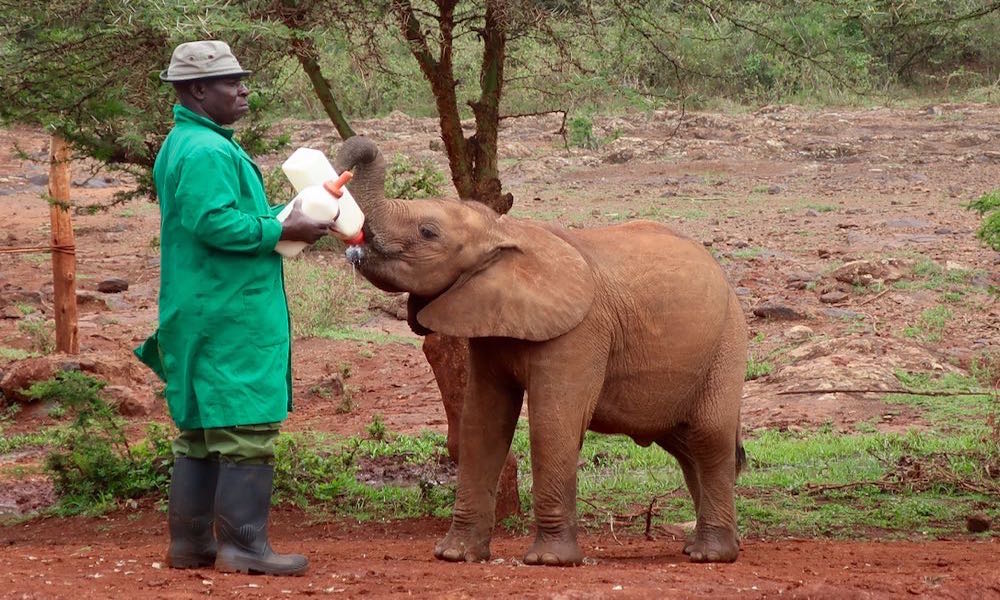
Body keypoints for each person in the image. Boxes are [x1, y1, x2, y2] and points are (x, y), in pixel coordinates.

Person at [134, 40, 331, 576]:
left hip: (200, 304)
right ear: (198, 90)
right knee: (245, 424)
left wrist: (282, 216)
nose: (243, 90)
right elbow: (214, 223)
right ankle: (244, 547)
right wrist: (280, 229)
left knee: (200, 428)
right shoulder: (206, 150)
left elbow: (219, 215)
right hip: (229, 310)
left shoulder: (191, 142)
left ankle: (192, 545)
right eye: (230, 82)